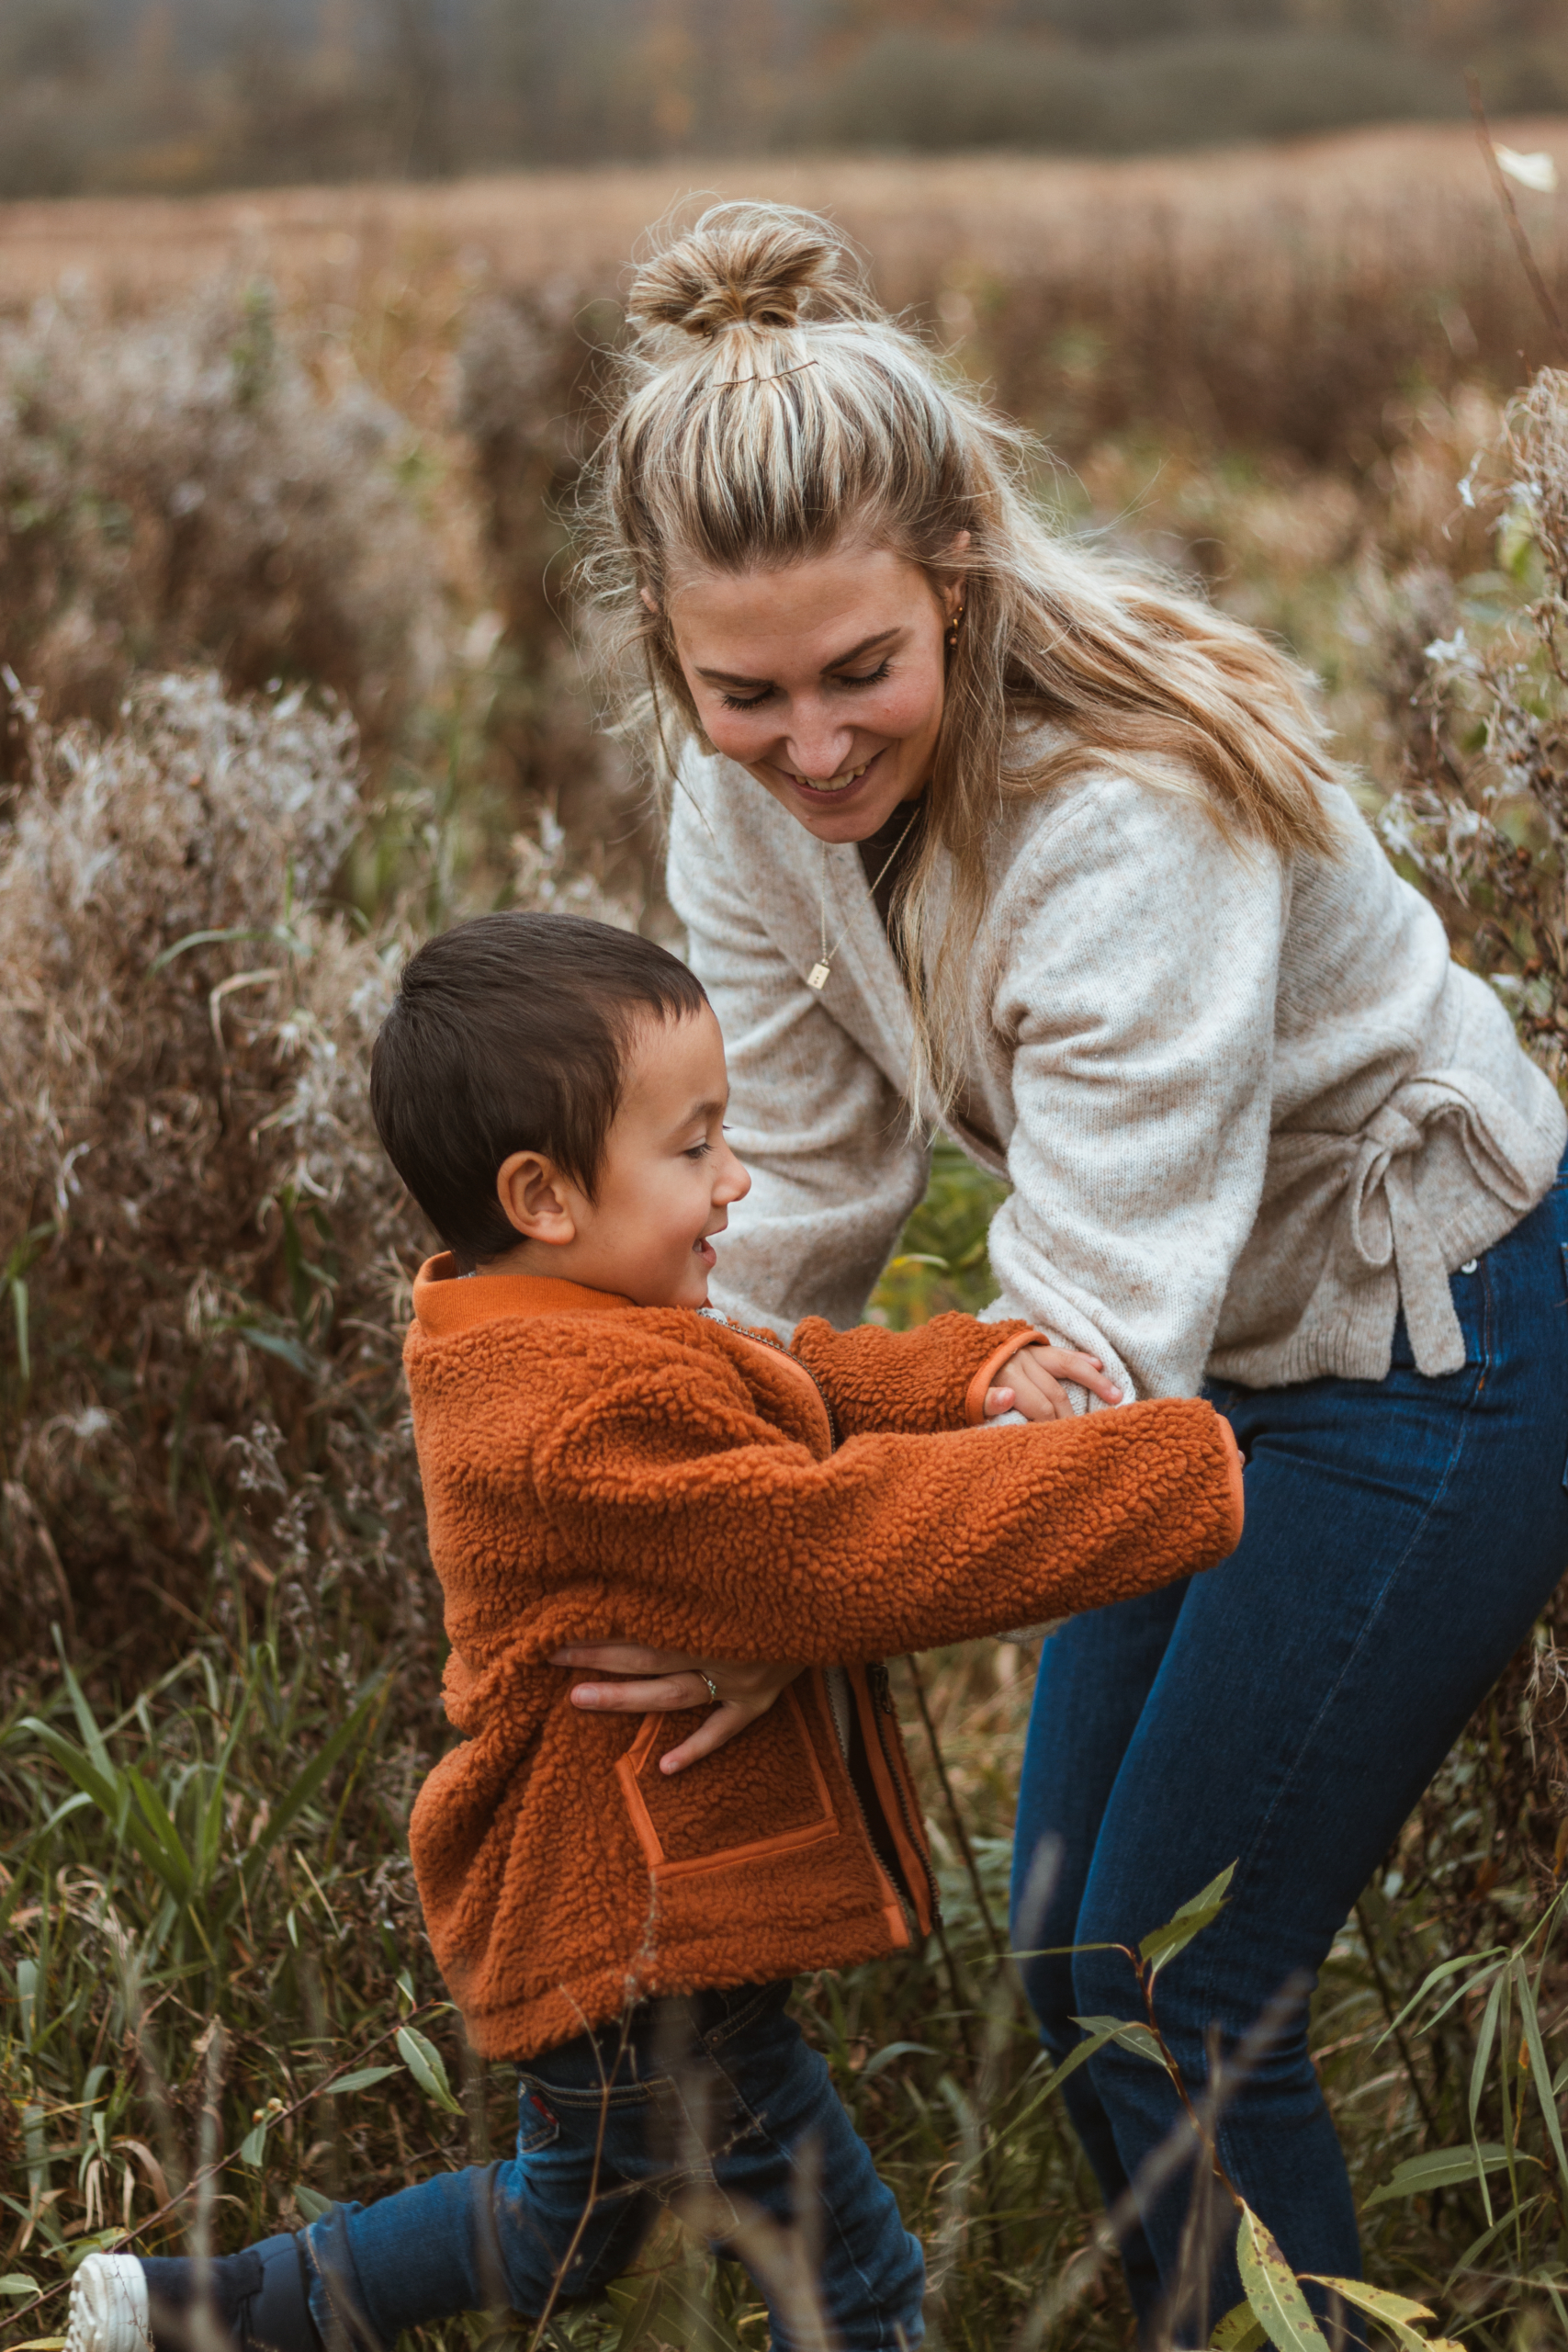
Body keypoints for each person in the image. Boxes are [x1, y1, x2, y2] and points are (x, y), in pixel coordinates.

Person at [549, 201, 1568, 2343]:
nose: (810, 744)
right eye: (743, 691)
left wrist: (784, 1595)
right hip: (1184, 1353)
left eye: (861, 670)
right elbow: (785, 1193)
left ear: (957, 572)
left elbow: (1088, 1354)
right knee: (1061, 1952)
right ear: (666, 648)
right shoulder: (743, 800)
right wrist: (682, 1494)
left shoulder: (1125, 816)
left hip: (1419, 1332)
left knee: (1175, 1974)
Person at [66, 911, 1243, 2352]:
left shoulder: (558, 1327)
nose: (736, 1178)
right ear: (543, 1195)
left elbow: (785, 1382)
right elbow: (831, 1548)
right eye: (694, 1149)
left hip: (613, 1935)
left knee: (553, 2233)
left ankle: (206, 2313)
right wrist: (1167, 1471)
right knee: (857, 2287)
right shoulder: (576, 1412)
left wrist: (973, 1371)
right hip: (647, 1954)